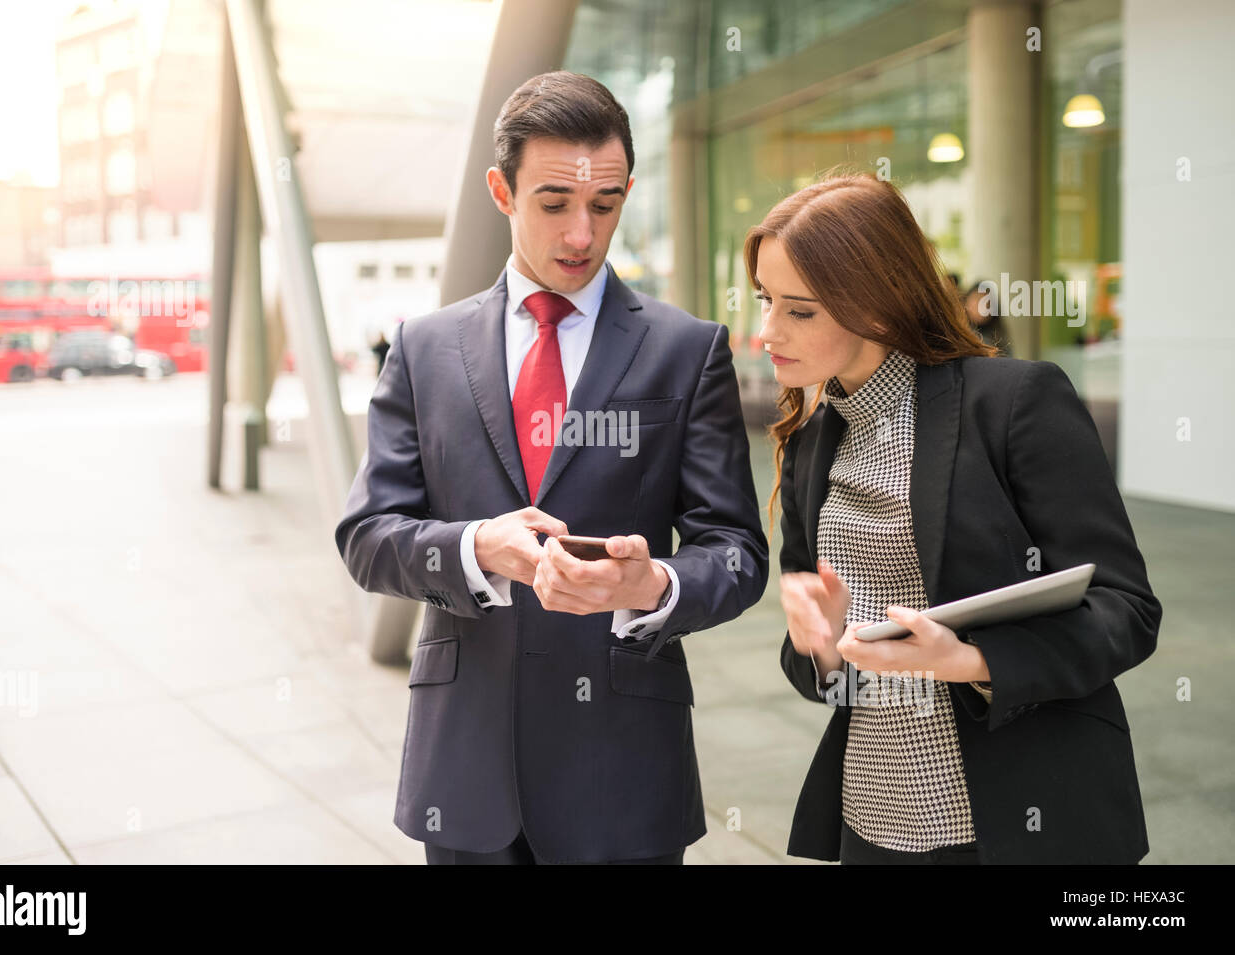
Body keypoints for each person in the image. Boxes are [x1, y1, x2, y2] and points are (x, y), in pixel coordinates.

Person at [334, 71, 767, 864]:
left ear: (627, 191)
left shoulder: (688, 350)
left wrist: (653, 586)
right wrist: (475, 550)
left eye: (604, 205)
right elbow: (366, 535)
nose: (582, 235)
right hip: (467, 772)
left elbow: (737, 551)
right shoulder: (423, 349)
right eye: (554, 204)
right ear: (501, 190)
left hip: (624, 771)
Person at [749, 171, 1161, 864]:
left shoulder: (1015, 404)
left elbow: (1127, 609)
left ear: (876, 308)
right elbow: (824, 673)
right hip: (873, 814)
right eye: (765, 300)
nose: (766, 331)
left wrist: (968, 659)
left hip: (1017, 816)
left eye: (800, 310)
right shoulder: (810, 443)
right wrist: (819, 646)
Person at [963, 279, 1011, 356]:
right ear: (966, 303)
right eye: (976, 301)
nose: (979, 308)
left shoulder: (1000, 339)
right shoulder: (960, 335)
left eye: (985, 303)